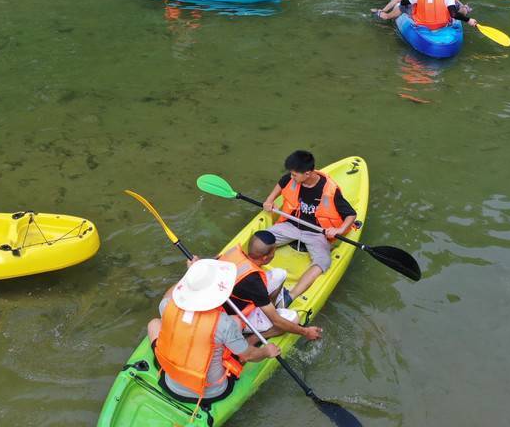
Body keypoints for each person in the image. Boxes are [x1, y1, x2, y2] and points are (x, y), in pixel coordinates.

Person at [147, 259, 281, 403]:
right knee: (236, 322)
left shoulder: (167, 305)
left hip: (170, 380)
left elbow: (168, 294)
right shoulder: (223, 323)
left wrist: (191, 276)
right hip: (210, 392)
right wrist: (267, 352)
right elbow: (249, 356)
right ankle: (246, 341)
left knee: (154, 324)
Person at [262, 150, 358, 303]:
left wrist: (338, 230)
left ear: (307, 174)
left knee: (323, 262)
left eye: (294, 175)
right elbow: (281, 183)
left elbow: (351, 215)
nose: (291, 177)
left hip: (316, 233)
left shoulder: (329, 191)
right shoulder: (292, 178)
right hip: (291, 224)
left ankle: (290, 296)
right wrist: (269, 199)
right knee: (261, 239)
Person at [215, 230, 323, 340]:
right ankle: (253, 339)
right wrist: (306, 332)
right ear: (265, 258)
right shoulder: (254, 282)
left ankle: (270, 308)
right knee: (293, 318)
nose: (274, 254)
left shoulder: (233, 253)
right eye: (273, 252)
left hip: (231, 297)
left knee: (280, 274)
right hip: (236, 316)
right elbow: (276, 321)